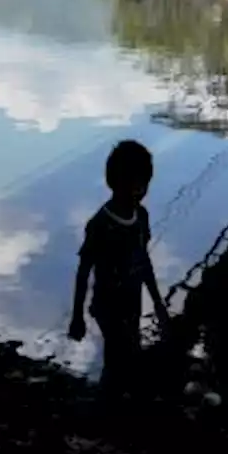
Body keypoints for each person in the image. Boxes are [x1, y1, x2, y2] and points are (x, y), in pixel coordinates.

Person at [68, 140, 172, 398]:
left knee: (128, 352)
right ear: (114, 182)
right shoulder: (100, 225)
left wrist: (158, 302)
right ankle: (109, 404)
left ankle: (115, 401)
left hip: (132, 301)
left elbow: (144, 261)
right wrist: (77, 316)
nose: (139, 190)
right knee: (120, 355)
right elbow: (83, 271)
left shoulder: (142, 216)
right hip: (108, 305)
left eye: (143, 184)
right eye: (134, 183)